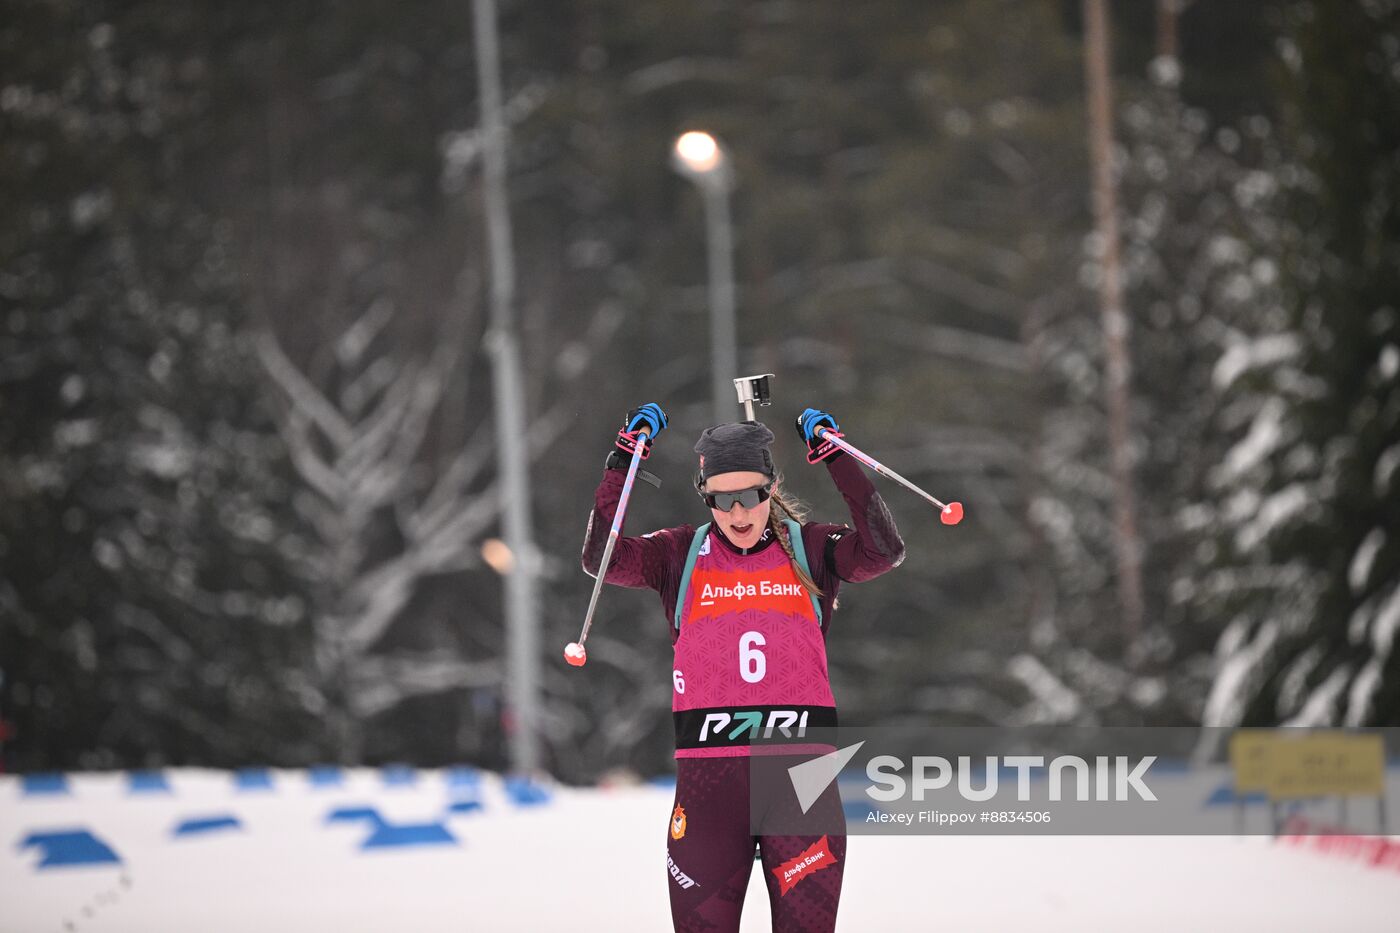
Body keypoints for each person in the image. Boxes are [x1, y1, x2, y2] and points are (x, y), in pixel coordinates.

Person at [580, 403, 906, 933]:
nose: (738, 513)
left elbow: (884, 551)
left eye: (751, 495)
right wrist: (624, 461)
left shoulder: (811, 548)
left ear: (771, 488)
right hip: (711, 790)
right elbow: (601, 559)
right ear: (705, 496)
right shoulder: (679, 554)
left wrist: (836, 457)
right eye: (722, 499)